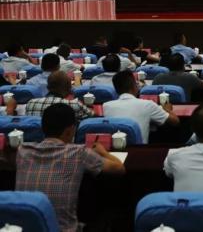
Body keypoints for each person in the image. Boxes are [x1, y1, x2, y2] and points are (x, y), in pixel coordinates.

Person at [16, 103, 125, 232]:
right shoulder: (78, 152)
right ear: (70, 130)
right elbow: (119, 168)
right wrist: (103, 152)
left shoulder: (23, 151)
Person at [105, 71, 179, 143]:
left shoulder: (106, 106)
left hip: (114, 150)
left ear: (116, 90)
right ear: (134, 86)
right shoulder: (147, 105)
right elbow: (175, 121)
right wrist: (168, 110)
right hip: (140, 149)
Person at [26, 71, 93, 121]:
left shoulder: (31, 103)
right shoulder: (74, 104)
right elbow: (92, 115)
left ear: (48, 87)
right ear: (69, 88)